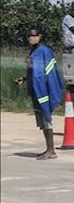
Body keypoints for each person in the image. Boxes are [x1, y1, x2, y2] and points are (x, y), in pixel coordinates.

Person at [14, 27, 65, 160]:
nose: (32, 38)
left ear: (40, 36)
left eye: (35, 35)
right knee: (42, 121)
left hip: (43, 91)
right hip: (35, 90)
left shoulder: (44, 51)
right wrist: (24, 79)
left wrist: (48, 89)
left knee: (46, 119)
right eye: (30, 36)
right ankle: (48, 149)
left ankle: (51, 150)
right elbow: (34, 72)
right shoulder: (33, 52)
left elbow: (49, 73)